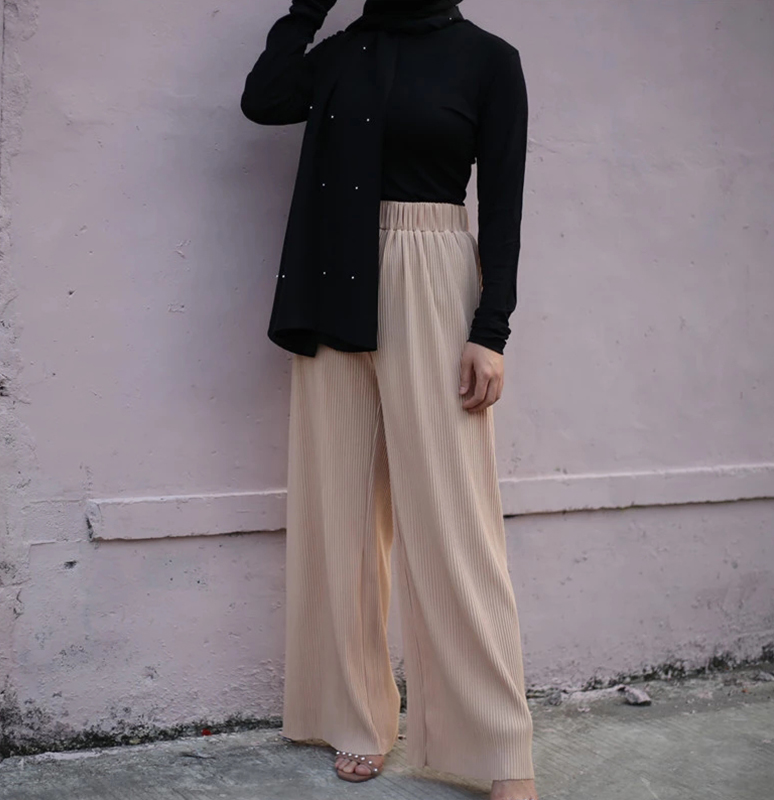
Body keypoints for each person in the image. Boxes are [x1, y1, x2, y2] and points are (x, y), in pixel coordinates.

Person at [240, 1, 538, 798]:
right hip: (334, 272)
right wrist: (306, 10)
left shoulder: (488, 59)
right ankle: (357, 719)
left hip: (435, 271)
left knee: (453, 518)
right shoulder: (344, 53)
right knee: (338, 510)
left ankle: (497, 749)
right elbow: (265, 98)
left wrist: (491, 329)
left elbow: (503, 203)